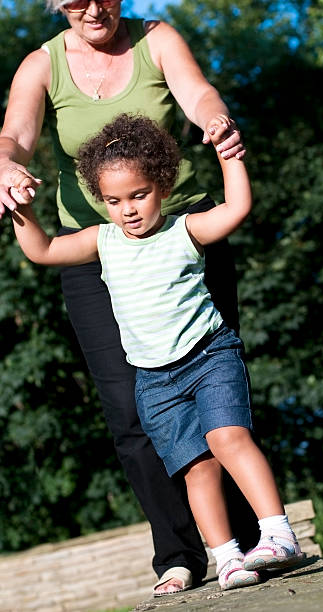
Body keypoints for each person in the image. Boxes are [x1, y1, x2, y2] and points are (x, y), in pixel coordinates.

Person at [0, 0, 258, 595]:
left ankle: (247, 542)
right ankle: (178, 553)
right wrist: (7, 168)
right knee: (129, 407)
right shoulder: (41, 65)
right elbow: (15, 133)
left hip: (182, 235)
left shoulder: (156, 39)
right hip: (96, 250)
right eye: (76, 0)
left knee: (217, 392)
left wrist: (215, 120)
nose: (94, 8)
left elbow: (199, 93)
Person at [11, 113, 304, 592]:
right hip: (154, 380)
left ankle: (277, 533)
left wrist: (230, 157)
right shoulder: (102, 241)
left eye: (138, 195)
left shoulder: (184, 230)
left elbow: (236, 209)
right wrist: (21, 207)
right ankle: (227, 558)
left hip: (209, 357)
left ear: (163, 187)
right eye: (113, 200)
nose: (126, 209)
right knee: (196, 468)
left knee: (228, 439)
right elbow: (42, 251)